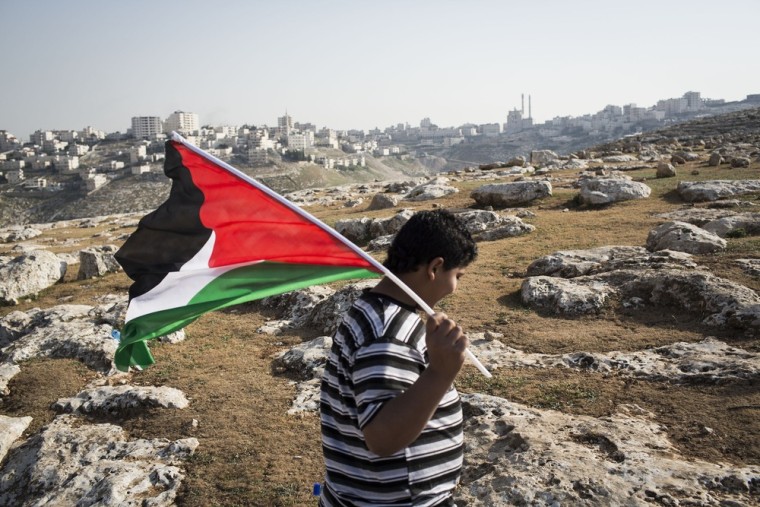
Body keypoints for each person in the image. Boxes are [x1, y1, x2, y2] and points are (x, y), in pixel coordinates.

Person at [319, 209, 478, 506]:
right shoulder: (387, 333)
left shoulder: (374, 307)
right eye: (457, 276)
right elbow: (383, 437)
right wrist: (440, 373)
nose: (455, 287)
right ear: (435, 267)